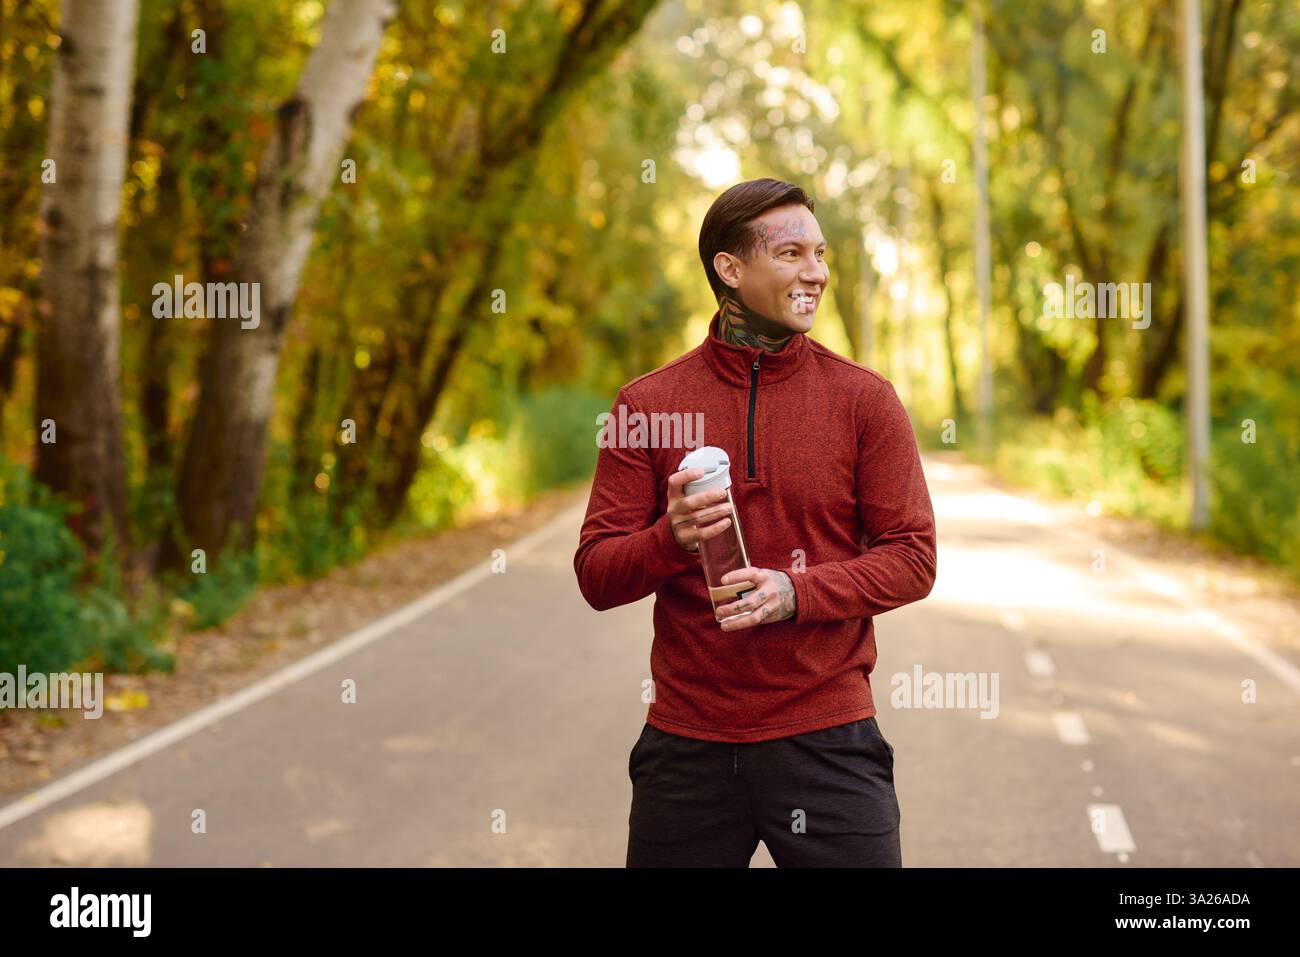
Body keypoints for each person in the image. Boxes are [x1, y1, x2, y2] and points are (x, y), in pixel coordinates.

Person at [573, 177, 937, 867]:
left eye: (821, 254)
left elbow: (914, 557)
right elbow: (596, 573)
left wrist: (795, 592)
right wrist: (669, 537)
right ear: (730, 269)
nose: (817, 272)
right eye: (792, 253)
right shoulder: (646, 404)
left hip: (828, 738)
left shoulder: (865, 401)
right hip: (687, 745)